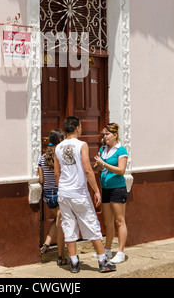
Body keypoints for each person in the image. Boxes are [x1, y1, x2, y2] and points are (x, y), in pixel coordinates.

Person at [54, 116, 116, 274]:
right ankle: (102, 261)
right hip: (79, 193)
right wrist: (96, 190)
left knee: (68, 226)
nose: (81, 128)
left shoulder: (58, 147)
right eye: (80, 126)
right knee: (91, 224)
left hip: (64, 192)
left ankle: (74, 262)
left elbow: (56, 173)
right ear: (76, 128)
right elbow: (88, 169)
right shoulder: (82, 145)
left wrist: (61, 187)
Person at [94, 122, 128, 264]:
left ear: (115, 135)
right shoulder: (103, 149)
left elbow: (121, 170)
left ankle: (120, 251)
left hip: (118, 189)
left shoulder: (121, 150)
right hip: (106, 188)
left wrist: (104, 163)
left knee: (119, 221)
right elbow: (100, 169)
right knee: (108, 222)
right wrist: (98, 166)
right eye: (104, 134)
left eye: (107, 134)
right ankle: (107, 250)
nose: (105, 137)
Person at [38, 129, 68, 266]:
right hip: (59, 193)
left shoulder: (42, 158)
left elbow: (41, 179)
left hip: (48, 195)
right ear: (61, 141)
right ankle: (61, 256)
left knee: (57, 220)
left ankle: (46, 244)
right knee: (61, 224)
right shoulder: (61, 157)